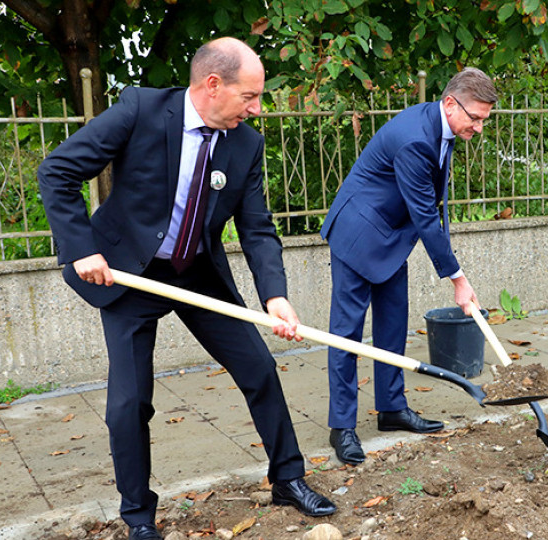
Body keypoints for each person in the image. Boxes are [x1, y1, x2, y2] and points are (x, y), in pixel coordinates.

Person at [38, 38, 336, 540]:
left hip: (198, 272)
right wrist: (80, 248)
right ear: (213, 84)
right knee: (129, 403)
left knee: (259, 369)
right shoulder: (141, 110)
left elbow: (257, 228)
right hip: (128, 273)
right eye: (250, 96)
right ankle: (138, 517)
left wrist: (275, 295)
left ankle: (288, 478)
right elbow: (58, 172)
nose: (256, 109)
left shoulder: (246, 143)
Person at [319, 68, 497, 465]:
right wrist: (457, 278)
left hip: (390, 237)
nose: (479, 127)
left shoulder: (442, 125)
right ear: (451, 103)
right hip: (358, 234)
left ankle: (391, 408)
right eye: (476, 118)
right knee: (346, 333)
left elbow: (430, 206)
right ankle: (342, 426)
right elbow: (424, 215)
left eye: (484, 119)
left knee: (393, 322)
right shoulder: (415, 139)